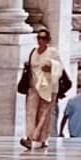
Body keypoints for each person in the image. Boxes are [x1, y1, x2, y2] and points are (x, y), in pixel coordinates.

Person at [17, 24, 69, 152]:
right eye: (39, 38)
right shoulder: (33, 52)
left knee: (44, 114)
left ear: (48, 40)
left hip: (48, 87)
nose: (41, 40)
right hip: (33, 87)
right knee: (31, 113)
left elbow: (60, 68)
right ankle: (30, 138)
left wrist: (51, 67)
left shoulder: (52, 52)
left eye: (44, 38)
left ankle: (40, 138)